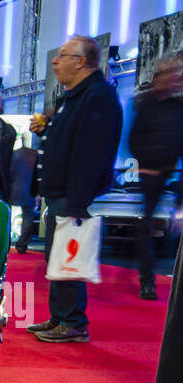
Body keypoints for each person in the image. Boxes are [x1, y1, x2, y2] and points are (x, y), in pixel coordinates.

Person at [29, 35, 123, 344]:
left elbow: (90, 155)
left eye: (63, 55)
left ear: (80, 62)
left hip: (73, 197)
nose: (55, 61)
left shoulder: (97, 97)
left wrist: (76, 203)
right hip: (62, 193)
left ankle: (72, 322)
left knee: (68, 259)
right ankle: (61, 317)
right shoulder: (77, 97)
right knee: (58, 259)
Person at [128, 56, 183, 300]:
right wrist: (147, 166)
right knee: (146, 226)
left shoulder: (177, 108)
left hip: (173, 175)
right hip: (151, 175)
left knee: (171, 227)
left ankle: (167, 273)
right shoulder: (146, 105)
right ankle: (147, 281)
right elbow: (134, 140)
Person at [10, 142, 39, 252]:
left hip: (13, 189)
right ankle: (22, 245)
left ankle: (6, 243)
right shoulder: (34, 154)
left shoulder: (13, 154)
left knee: (7, 215)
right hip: (29, 189)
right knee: (28, 218)